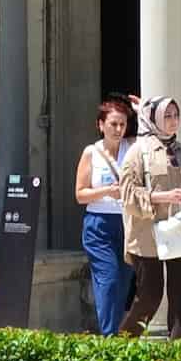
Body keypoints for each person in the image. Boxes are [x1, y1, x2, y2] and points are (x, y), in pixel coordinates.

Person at [119, 94, 181, 338]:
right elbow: (127, 194)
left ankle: (177, 351)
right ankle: (122, 344)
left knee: (180, 297)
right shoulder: (139, 152)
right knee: (149, 295)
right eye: (167, 116)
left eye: (176, 115)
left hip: (180, 232)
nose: (173, 121)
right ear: (154, 118)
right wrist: (161, 197)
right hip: (148, 236)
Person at [76, 97, 136, 336]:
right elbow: (80, 194)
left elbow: (156, 139)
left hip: (126, 224)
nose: (118, 129)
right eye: (113, 124)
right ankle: (109, 337)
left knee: (123, 282)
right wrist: (107, 191)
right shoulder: (92, 152)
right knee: (108, 280)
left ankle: (114, 333)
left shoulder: (131, 148)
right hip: (99, 225)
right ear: (101, 125)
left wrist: (142, 111)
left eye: (122, 124)